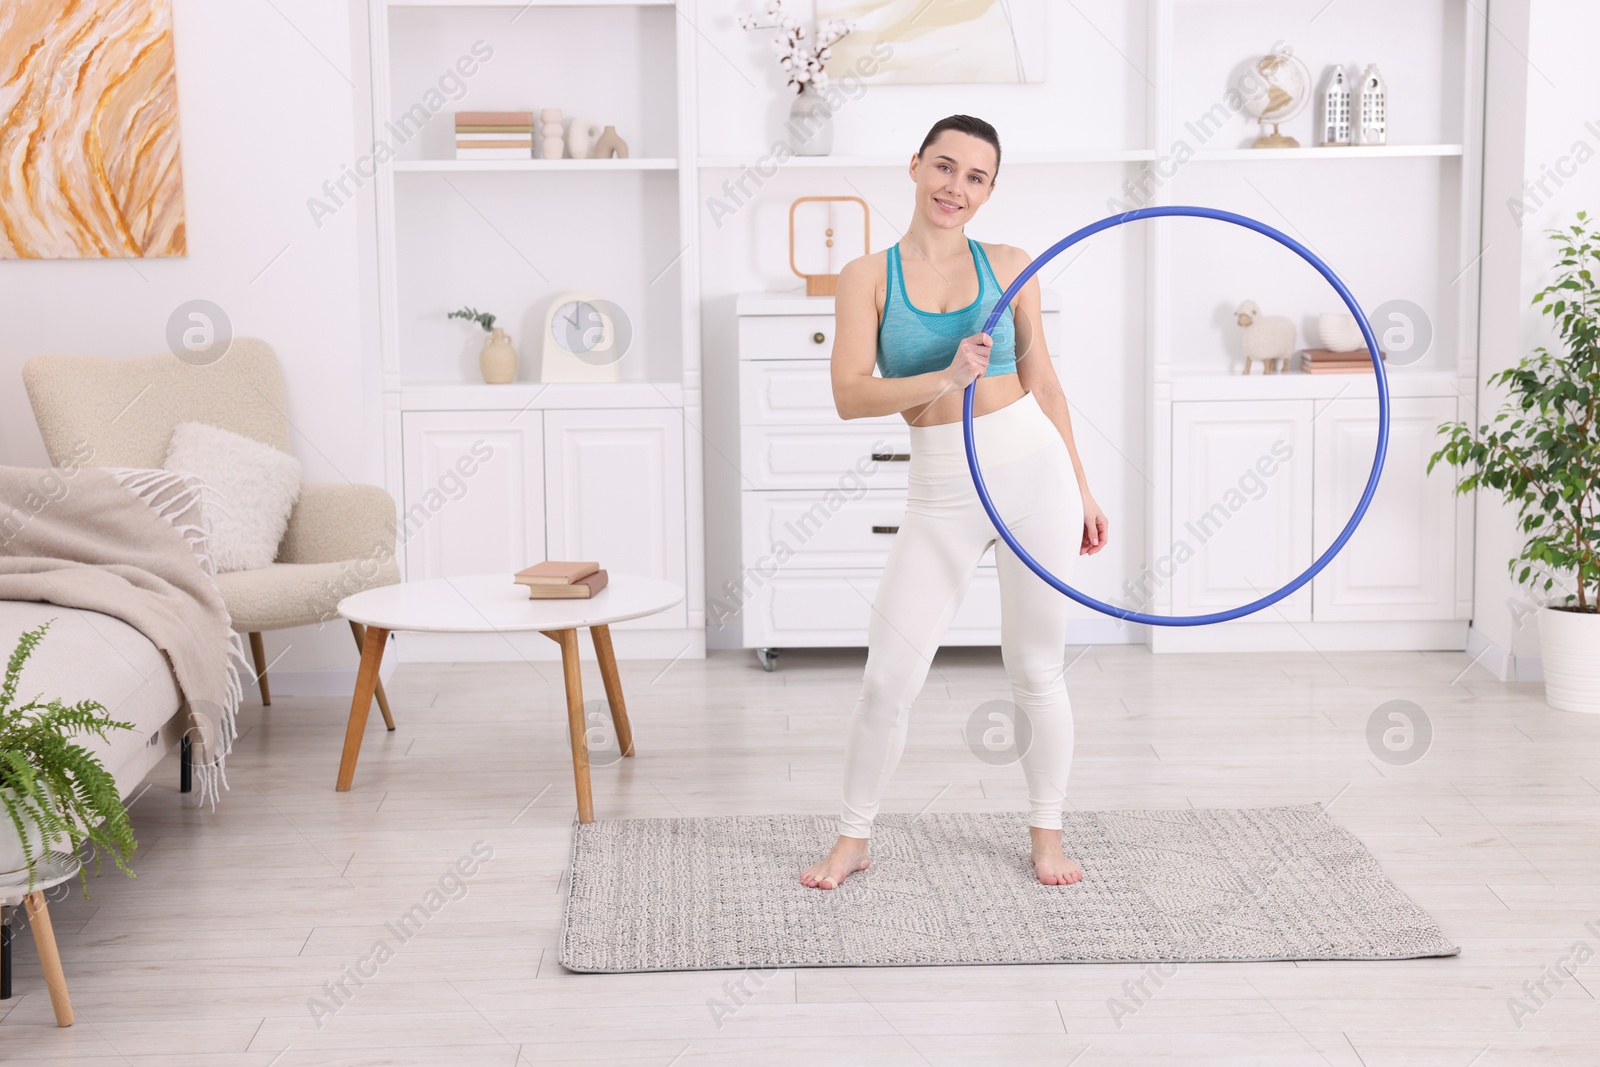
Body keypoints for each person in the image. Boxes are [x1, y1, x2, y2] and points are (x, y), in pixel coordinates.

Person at [799, 114, 1109, 890]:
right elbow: (848, 394)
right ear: (914, 167)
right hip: (940, 489)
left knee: (1036, 668)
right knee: (887, 678)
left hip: (1033, 474)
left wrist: (1082, 483)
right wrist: (944, 377)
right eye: (944, 167)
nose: (955, 188)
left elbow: (1045, 384)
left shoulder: (1010, 263)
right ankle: (852, 837)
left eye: (975, 177)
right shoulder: (867, 277)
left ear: (990, 190)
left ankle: (1047, 835)